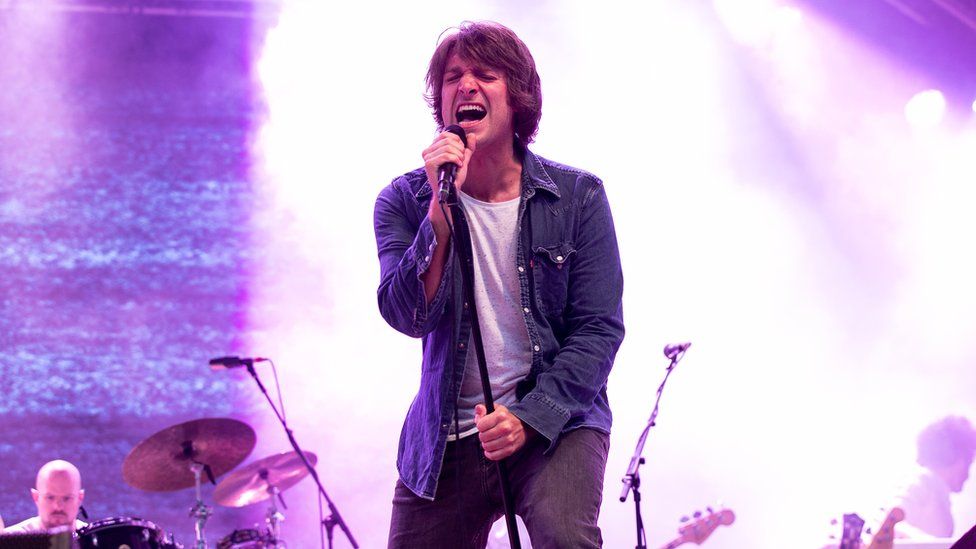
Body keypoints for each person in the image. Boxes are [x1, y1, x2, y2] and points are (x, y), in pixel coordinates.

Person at [373, 20, 625, 548]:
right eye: (451, 77)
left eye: (484, 74)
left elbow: (598, 330)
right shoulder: (403, 202)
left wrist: (528, 418)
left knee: (563, 537)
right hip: (446, 437)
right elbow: (406, 316)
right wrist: (439, 216)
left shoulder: (578, 199)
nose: (464, 86)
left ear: (518, 97)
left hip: (553, 424)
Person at [894, 415, 976, 538]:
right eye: (968, 461)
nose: (968, 474)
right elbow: (890, 525)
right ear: (953, 455)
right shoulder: (921, 481)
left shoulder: (936, 490)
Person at [3, 460, 87, 533]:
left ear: (80, 498)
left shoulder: (95, 541)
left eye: (67, 498)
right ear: (36, 497)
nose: (58, 507)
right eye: (50, 497)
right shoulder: (9, 542)